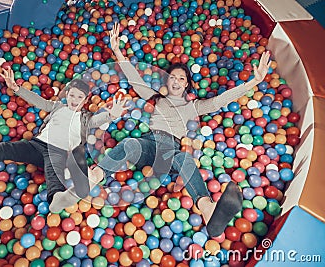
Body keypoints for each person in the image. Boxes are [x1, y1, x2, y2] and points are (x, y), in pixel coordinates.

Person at [90, 22, 272, 237]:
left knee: (185, 160)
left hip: (170, 152)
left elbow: (219, 101)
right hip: (148, 146)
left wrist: (253, 82)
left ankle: (207, 209)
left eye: (181, 78)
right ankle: (93, 176)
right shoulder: (155, 98)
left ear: (187, 85)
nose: (176, 80)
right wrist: (117, 50)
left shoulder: (192, 106)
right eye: (173, 77)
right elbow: (134, 79)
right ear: (167, 80)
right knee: (130, 143)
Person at [0, 66, 129, 213]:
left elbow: (99, 119)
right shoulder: (58, 107)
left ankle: (58, 199)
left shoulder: (86, 118)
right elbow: (39, 101)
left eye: (79, 98)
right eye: (72, 96)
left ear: (85, 100)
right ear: (67, 95)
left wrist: (113, 114)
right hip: (36, 145)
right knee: (4, 148)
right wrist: (16, 88)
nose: (74, 101)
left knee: (53, 169)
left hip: (58, 152)